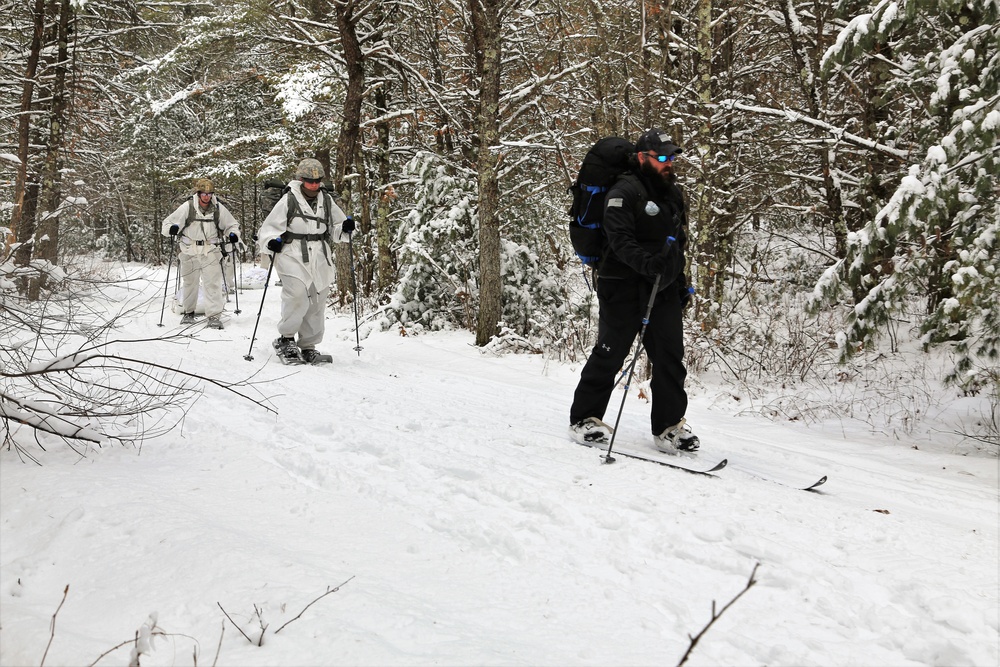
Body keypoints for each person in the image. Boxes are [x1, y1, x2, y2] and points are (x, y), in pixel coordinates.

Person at [568, 128, 699, 454]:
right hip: (621, 286)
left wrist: (679, 281)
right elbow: (618, 238)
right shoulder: (623, 191)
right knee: (610, 353)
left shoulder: (672, 193)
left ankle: (669, 427)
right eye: (663, 157)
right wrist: (648, 264)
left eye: (673, 157)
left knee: (670, 358)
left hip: (663, 288)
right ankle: (584, 419)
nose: (670, 163)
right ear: (643, 157)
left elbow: (679, 243)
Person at [256, 158, 353, 363]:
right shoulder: (289, 200)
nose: (314, 185)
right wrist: (272, 241)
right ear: (301, 179)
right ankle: (286, 339)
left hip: (319, 253)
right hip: (291, 252)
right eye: (310, 181)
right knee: (297, 294)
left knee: (318, 298)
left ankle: (308, 345)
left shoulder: (326, 200)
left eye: (318, 181)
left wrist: (345, 229)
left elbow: (336, 227)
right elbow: (269, 228)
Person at [161, 178, 240, 329]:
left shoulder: (218, 208)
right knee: (190, 282)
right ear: (198, 193)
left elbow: (232, 224)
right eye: (203, 193)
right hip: (189, 250)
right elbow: (167, 223)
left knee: (212, 284)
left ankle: (214, 316)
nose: (206, 197)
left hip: (210, 250)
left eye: (209, 194)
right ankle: (188, 312)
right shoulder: (188, 207)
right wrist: (172, 229)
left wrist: (233, 234)